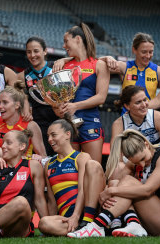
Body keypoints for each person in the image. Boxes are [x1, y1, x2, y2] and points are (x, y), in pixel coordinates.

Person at [67, 129, 160, 238]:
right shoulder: (132, 164)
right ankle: (131, 223)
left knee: (127, 181)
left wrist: (110, 191)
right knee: (117, 182)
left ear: (146, 144)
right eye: (136, 162)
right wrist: (107, 191)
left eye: (143, 158)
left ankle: (97, 225)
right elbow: (115, 184)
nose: (142, 165)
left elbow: (148, 190)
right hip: (145, 220)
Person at [55, 22, 110, 163]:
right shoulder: (63, 65)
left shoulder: (99, 65)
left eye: (66, 41)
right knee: (70, 171)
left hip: (90, 122)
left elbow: (101, 97)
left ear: (78, 39)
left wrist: (75, 106)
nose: (63, 46)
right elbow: (58, 98)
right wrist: (58, 108)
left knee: (93, 169)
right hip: (68, 124)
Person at [38, 117, 91, 236]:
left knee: (45, 223)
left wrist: (75, 216)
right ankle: (78, 231)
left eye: (53, 135)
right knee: (44, 223)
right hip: (65, 219)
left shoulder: (81, 157)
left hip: (81, 215)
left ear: (68, 134)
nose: (50, 140)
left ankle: (84, 227)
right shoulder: (49, 164)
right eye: (48, 136)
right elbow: (52, 201)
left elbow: (83, 190)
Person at [100, 33, 160, 117]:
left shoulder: (159, 72)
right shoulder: (124, 67)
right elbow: (94, 66)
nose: (148, 56)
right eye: (144, 52)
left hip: (149, 120)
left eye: (151, 52)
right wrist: (106, 58)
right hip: (126, 119)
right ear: (134, 50)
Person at [0, 82, 46, 160]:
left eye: (5, 102)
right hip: (1, 167)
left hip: (23, 168)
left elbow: (43, 157)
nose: (0, 106)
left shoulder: (30, 125)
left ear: (17, 105)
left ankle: (18, 158)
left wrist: (38, 158)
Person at [17, 36, 59, 156]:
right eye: (29, 52)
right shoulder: (22, 76)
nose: (32, 55)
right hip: (38, 124)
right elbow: (19, 94)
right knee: (43, 159)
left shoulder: (56, 67)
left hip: (59, 120)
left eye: (36, 51)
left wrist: (64, 60)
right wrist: (25, 108)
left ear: (45, 51)